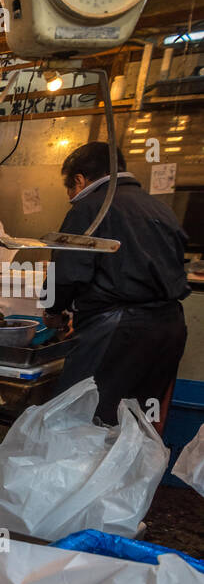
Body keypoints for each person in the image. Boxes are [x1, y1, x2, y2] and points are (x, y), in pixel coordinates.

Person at [48, 142, 189, 425]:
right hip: (169, 329)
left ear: (79, 179)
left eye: (70, 190)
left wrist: (54, 309)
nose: (72, 198)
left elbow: (68, 273)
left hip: (118, 332)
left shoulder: (89, 208)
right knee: (136, 422)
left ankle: (83, 471)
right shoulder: (160, 209)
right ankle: (127, 470)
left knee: (87, 419)